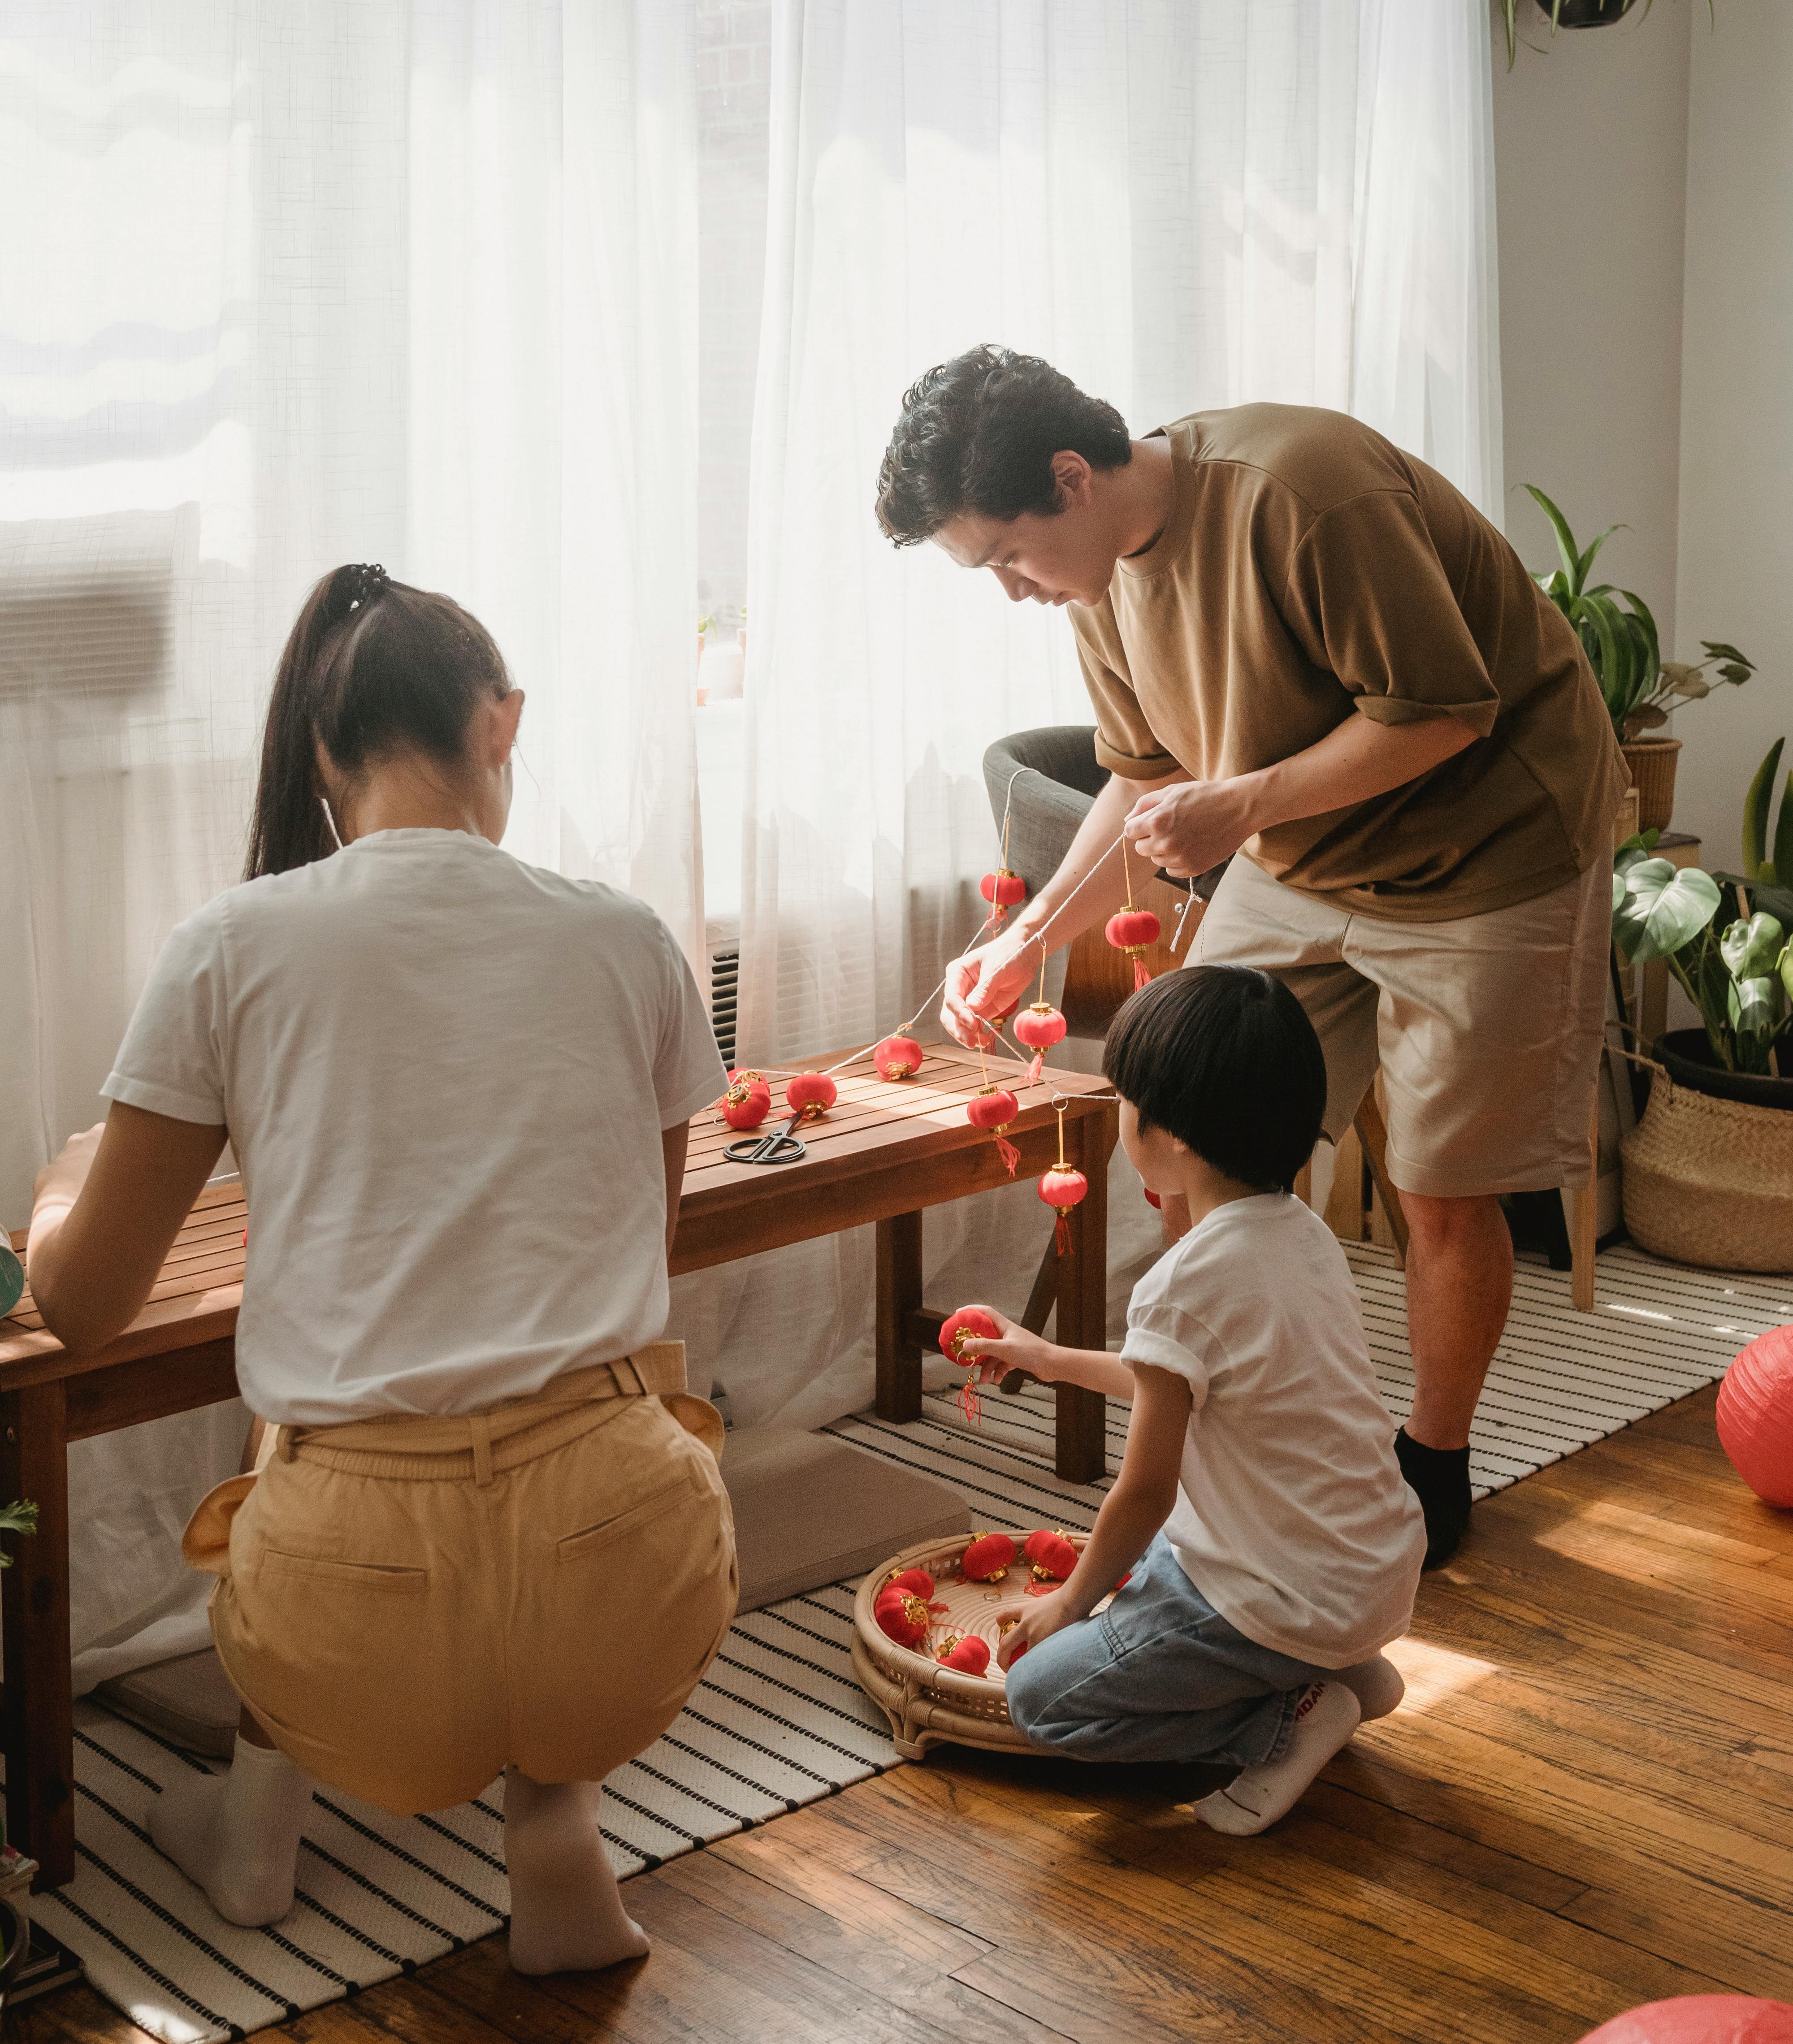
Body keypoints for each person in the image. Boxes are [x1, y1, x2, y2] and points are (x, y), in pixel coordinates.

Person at [27, 563, 734, 1967]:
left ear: (321, 756)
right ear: (504, 724)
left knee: (295, 1441)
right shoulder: (627, 937)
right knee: (579, 1401)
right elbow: (633, 1258)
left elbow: (81, 1305)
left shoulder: (232, 946)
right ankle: (556, 1813)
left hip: (361, 1625)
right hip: (627, 1589)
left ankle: (255, 1843)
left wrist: (62, 1185)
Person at [876, 348, 1624, 1568]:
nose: (1011, 590)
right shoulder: (1097, 585)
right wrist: (1027, 938)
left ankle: (1432, 1471)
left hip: (1490, 848)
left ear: (1071, 477)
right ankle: (1220, 1425)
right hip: (1298, 851)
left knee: (1439, 1184)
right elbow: (1146, 775)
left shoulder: (1303, 490)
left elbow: (1445, 709)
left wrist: (1242, 809)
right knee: (1193, 1129)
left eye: (1007, 555)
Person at [962, 966, 1425, 1829]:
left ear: (1172, 1138)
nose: (1120, 1115)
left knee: (1041, 1700)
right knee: (1164, 1560)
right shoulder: (1304, 1236)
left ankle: (1283, 1716)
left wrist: (1072, 1604)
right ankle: (1342, 1665)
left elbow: (1146, 1490)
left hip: (1287, 1591)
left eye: (1127, 1100)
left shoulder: (1185, 1281)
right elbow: (1191, 1384)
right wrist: (1051, 1357)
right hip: (1370, 1569)